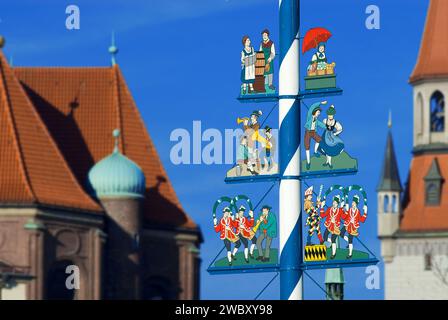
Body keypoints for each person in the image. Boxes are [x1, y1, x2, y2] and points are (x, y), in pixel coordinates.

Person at [340, 195, 368, 259]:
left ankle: (350, 254)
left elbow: (362, 220)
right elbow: (343, 217)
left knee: (350, 240)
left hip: (353, 227)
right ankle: (348, 241)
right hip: (347, 224)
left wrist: (365, 212)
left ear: (356, 204)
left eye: (354, 203)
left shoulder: (358, 212)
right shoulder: (349, 210)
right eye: (352, 202)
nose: (353, 204)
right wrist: (342, 208)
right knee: (341, 234)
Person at [320, 195, 344, 259]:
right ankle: (330, 244)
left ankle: (333, 254)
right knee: (324, 237)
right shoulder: (329, 209)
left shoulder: (340, 210)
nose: (334, 204)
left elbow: (344, 217)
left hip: (336, 228)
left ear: (338, 204)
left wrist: (344, 208)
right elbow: (322, 215)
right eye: (333, 202)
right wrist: (322, 207)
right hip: (329, 226)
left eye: (336, 203)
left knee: (333, 239)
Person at [304, 101, 327, 170]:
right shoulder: (309, 117)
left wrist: (327, 127)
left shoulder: (316, 120)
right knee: (307, 147)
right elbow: (311, 107)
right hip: (308, 132)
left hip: (313, 132)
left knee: (319, 139)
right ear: (314, 112)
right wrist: (320, 103)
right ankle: (308, 162)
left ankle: (315, 152)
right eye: (318, 112)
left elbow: (321, 124)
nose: (319, 114)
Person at [242, 110, 265, 175]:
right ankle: (251, 166)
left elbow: (250, 131)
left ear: (255, 117)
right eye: (251, 117)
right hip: (247, 142)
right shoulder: (251, 124)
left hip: (250, 142)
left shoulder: (256, 125)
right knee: (248, 155)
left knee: (250, 155)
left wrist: (245, 125)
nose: (251, 118)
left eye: (252, 117)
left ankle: (251, 168)